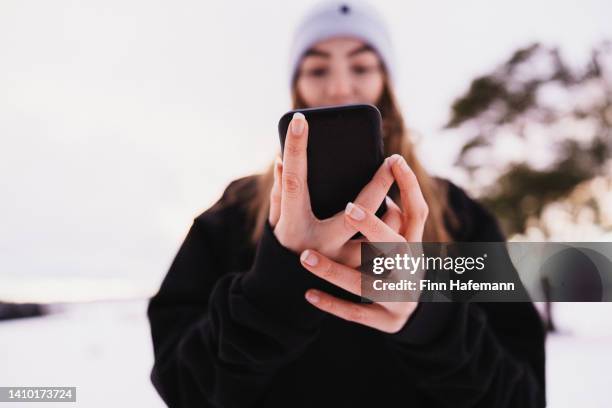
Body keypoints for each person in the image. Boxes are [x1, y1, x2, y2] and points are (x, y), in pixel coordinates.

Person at [147, 1, 546, 406]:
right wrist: (276, 285)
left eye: (361, 66)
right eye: (317, 68)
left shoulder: (459, 216)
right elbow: (183, 389)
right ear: (296, 85)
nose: (338, 87)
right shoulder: (234, 213)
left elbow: (522, 397)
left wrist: (426, 318)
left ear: (385, 81)